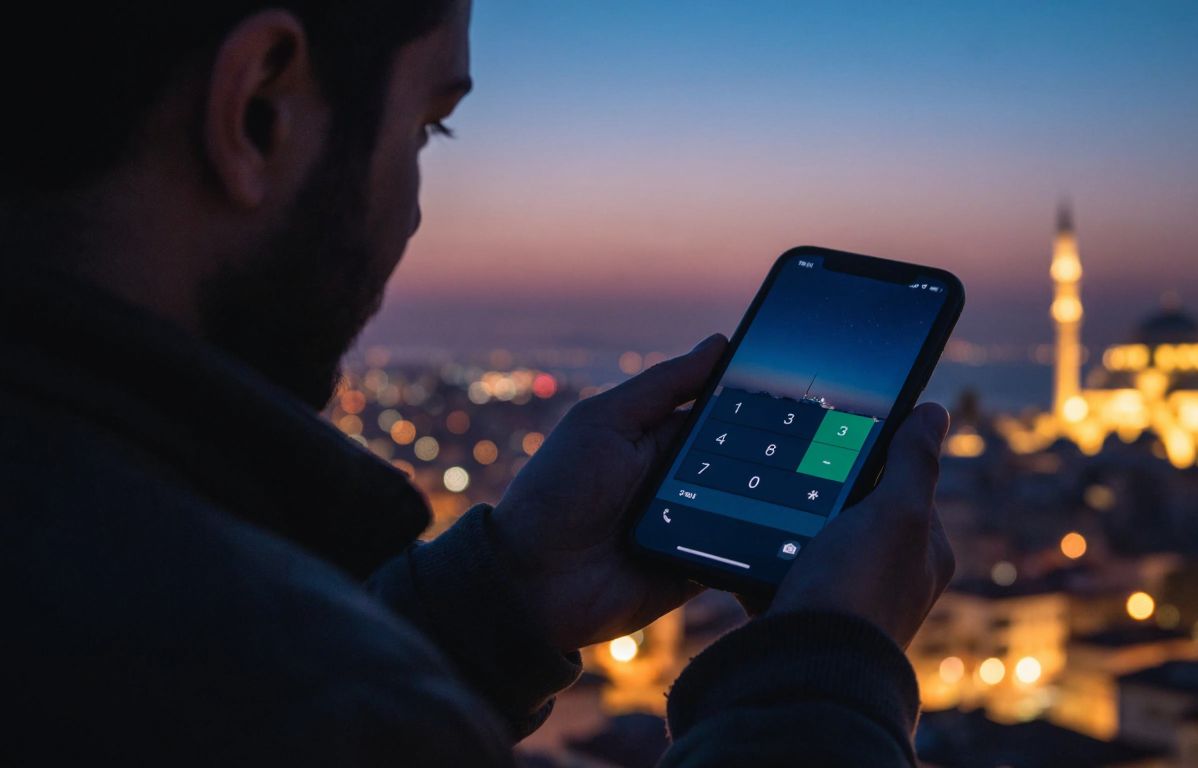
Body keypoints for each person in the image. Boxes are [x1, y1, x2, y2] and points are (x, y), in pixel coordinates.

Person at [0, 1, 955, 764]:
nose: (415, 215)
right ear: (259, 109)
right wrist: (825, 676)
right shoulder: (305, 697)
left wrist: (504, 598)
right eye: (429, 126)